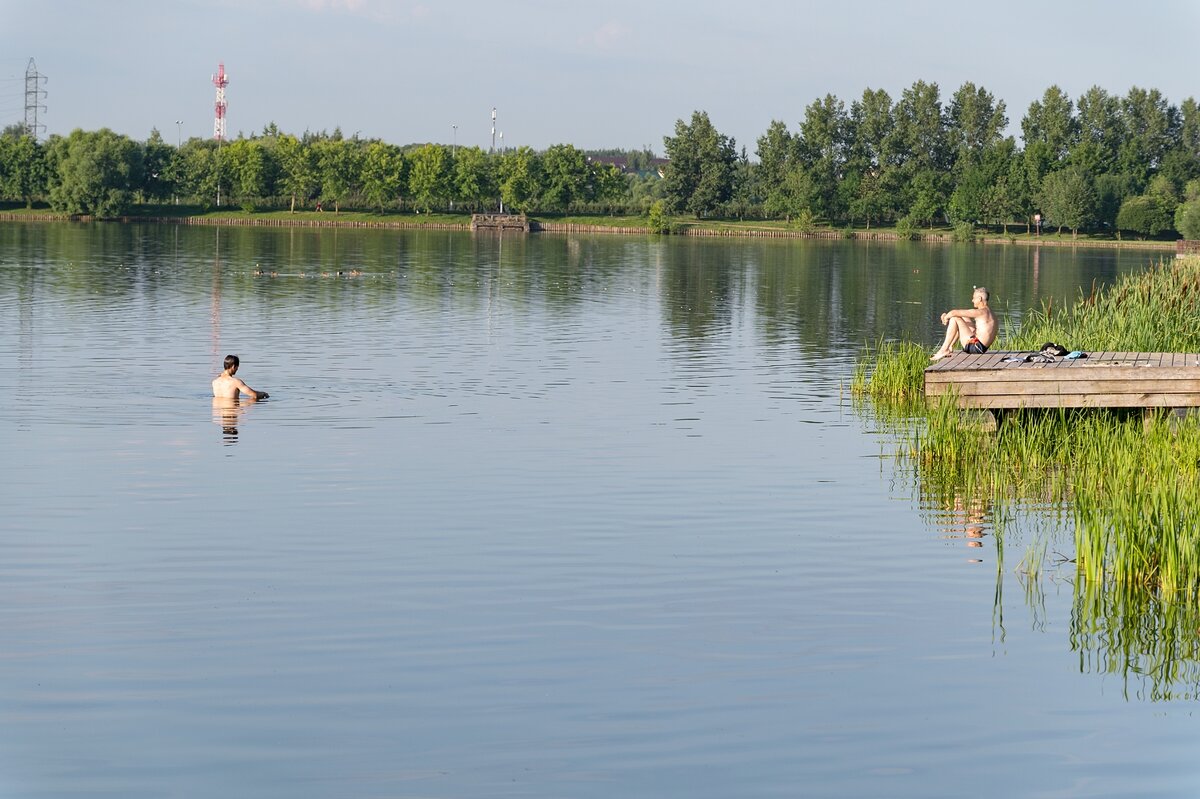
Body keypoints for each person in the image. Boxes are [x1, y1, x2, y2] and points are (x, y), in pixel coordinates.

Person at [930, 287, 996, 361]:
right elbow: (959, 313)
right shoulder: (990, 312)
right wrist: (947, 316)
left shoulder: (981, 312)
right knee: (963, 317)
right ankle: (950, 346)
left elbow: (954, 313)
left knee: (955, 318)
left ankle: (944, 349)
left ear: (980, 299)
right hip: (981, 346)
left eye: (974, 298)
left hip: (975, 348)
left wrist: (945, 317)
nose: (972, 300)